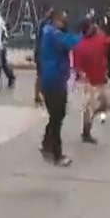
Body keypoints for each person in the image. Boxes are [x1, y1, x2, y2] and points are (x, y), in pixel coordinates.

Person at [38, 9, 80, 167]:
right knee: (57, 118)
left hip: (52, 79)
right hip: (54, 80)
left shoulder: (47, 31)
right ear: (55, 20)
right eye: (63, 20)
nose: (65, 22)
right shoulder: (53, 34)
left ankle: (46, 144)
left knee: (56, 116)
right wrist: (84, 36)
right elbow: (72, 42)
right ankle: (57, 154)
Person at [73, 18, 110, 144]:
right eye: (90, 27)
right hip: (89, 82)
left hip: (102, 79)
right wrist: (82, 76)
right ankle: (86, 133)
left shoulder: (100, 37)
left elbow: (109, 41)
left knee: (108, 104)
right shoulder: (80, 45)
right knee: (88, 108)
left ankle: (94, 113)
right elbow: (77, 66)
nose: (93, 28)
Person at [33, 8, 54, 106]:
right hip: (44, 53)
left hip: (40, 52)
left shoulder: (42, 23)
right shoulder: (47, 24)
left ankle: (38, 96)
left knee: (41, 75)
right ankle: (40, 96)